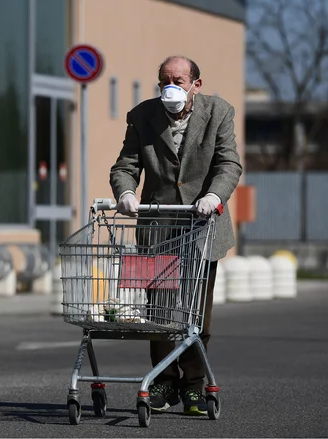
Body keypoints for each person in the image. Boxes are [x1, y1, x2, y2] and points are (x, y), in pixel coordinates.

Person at [109, 56, 242, 415]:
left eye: (179, 80)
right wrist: (125, 192)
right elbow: (126, 164)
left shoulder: (218, 112)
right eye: (165, 80)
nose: (172, 86)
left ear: (196, 84)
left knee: (197, 313)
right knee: (159, 310)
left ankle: (195, 386)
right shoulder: (142, 115)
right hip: (159, 226)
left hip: (203, 225)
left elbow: (229, 162)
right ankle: (164, 381)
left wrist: (214, 195)